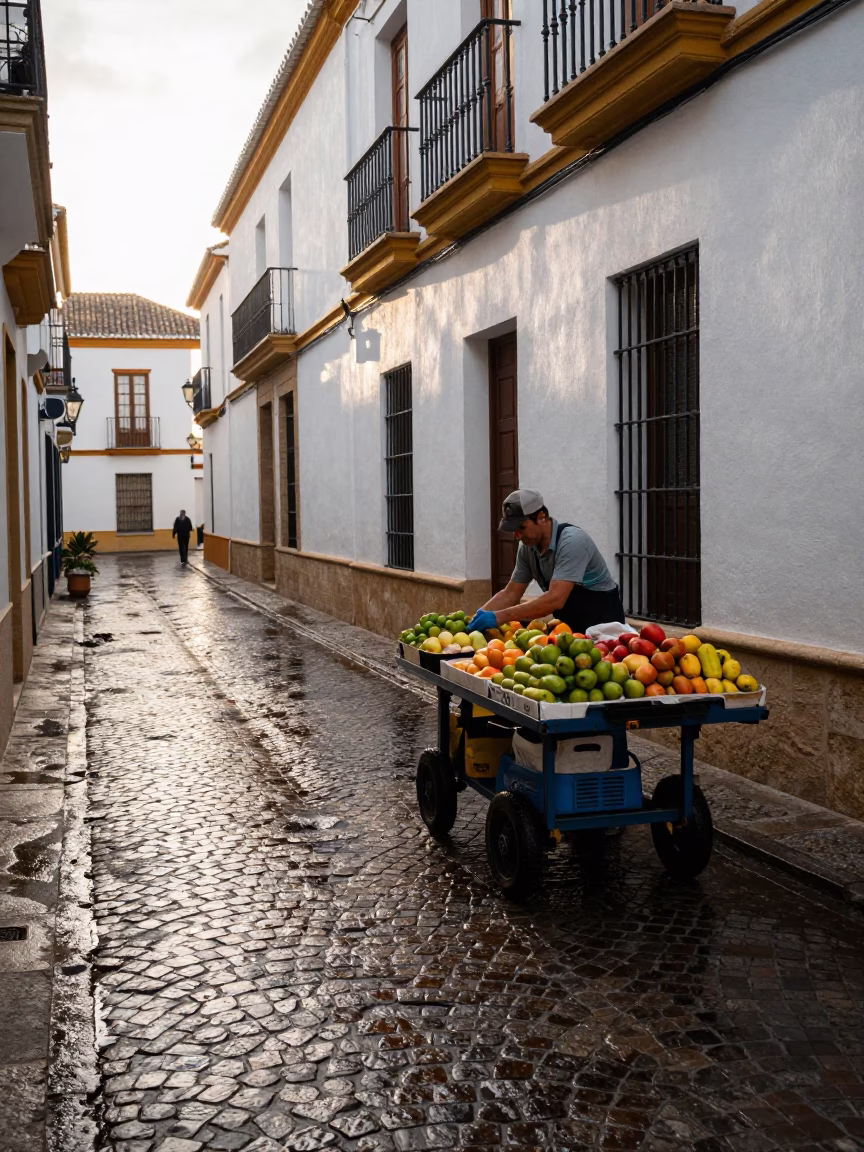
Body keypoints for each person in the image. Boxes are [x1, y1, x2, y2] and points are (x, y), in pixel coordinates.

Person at [467, 489, 626, 635]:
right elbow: (510, 593)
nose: (517, 535)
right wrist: (473, 621)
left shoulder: (572, 542)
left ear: (541, 517)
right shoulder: (527, 550)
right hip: (569, 631)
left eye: (521, 527)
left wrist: (500, 617)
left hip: (604, 628)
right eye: (513, 530)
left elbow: (555, 600)